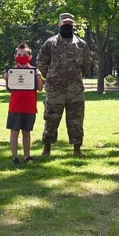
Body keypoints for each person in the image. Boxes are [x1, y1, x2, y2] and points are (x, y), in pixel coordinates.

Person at [37, 13, 92, 157]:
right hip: (55, 90)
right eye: (64, 23)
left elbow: (86, 64)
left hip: (75, 90)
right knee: (51, 119)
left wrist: (77, 77)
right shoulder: (50, 43)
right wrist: (50, 76)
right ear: (59, 24)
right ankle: (47, 149)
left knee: (76, 120)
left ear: (73, 25)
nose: (67, 25)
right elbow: (41, 62)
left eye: (70, 23)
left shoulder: (81, 44)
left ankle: (77, 149)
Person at [4, 42, 44, 164]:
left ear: (30, 57)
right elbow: (10, 89)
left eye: (24, 54)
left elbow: (40, 88)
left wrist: (38, 77)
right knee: (14, 131)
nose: (22, 56)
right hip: (15, 106)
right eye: (19, 54)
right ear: (15, 56)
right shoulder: (12, 72)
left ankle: (27, 156)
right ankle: (14, 156)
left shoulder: (34, 71)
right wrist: (6, 79)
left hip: (29, 107)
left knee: (26, 132)